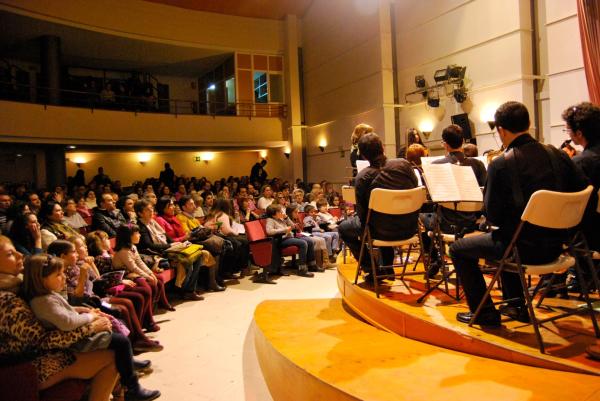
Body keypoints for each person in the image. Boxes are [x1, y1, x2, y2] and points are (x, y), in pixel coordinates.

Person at [450, 101, 587, 327]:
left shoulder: (501, 164)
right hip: (560, 245)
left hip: (524, 249)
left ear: (501, 130)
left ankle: (484, 314)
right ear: (529, 124)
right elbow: (582, 189)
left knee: (460, 249)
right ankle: (514, 305)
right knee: (509, 233)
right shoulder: (558, 155)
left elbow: (492, 215)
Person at [23, 254, 161, 401]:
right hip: (75, 342)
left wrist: (80, 310)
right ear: (40, 279)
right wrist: (91, 317)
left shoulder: (47, 295)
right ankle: (132, 387)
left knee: (116, 330)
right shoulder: (43, 301)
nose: (63, 277)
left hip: (75, 332)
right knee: (120, 342)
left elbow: (65, 311)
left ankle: (126, 368)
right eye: (58, 274)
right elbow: (68, 322)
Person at [0, 236, 119, 401]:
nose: (20, 255)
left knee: (108, 342)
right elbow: (42, 341)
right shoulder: (6, 300)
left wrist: (85, 316)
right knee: (111, 358)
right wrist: (90, 327)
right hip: (26, 365)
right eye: (9, 254)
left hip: (39, 354)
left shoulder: (15, 284)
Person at [338, 132, 419, 283]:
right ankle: (387, 267)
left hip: (379, 231)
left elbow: (363, 216)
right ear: (382, 147)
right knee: (381, 217)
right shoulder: (404, 165)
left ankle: (372, 268)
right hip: (410, 228)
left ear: (363, 155)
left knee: (345, 228)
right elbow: (415, 188)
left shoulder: (362, 177)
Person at [420, 124, 487, 277]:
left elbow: (431, 197)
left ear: (444, 143)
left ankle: (435, 260)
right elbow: (485, 193)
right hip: (472, 224)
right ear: (463, 141)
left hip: (447, 224)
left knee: (422, 218)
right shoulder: (477, 164)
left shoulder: (436, 165)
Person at [561, 102, 600, 292]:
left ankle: (557, 282)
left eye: (568, 129)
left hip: (592, 235)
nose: (567, 133)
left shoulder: (582, 162)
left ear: (579, 133)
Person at [265, 204, 319, 277]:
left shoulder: (281, 218)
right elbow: (269, 231)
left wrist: (287, 218)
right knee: (303, 243)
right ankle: (302, 269)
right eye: (280, 212)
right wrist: (284, 229)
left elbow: (293, 226)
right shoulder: (270, 220)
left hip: (288, 237)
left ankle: (312, 265)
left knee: (309, 241)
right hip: (280, 240)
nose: (282, 213)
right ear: (273, 214)